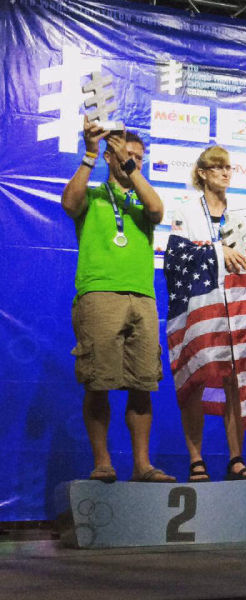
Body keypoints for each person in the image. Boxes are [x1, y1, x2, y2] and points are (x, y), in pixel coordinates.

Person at [61, 117, 175, 483]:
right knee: (98, 382)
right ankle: (103, 463)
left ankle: (142, 466)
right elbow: (69, 203)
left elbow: (158, 211)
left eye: (139, 157)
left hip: (142, 297)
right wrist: (91, 154)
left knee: (143, 384)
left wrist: (131, 168)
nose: (134, 161)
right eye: (127, 155)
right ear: (110, 157)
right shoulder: (94, 196)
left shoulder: (142, 199)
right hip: (99, 294)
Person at [168, 145, 246, 481]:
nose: (225, 173)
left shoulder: (242, 213)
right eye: (218, 167)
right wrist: (218, 251)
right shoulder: (186, 211)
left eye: (228, 167)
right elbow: (176, 256)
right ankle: (196, 459)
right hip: (201, 307)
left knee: (234, 381)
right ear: (202, 173)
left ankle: (236, 457)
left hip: (236, 309)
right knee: (196, 377)